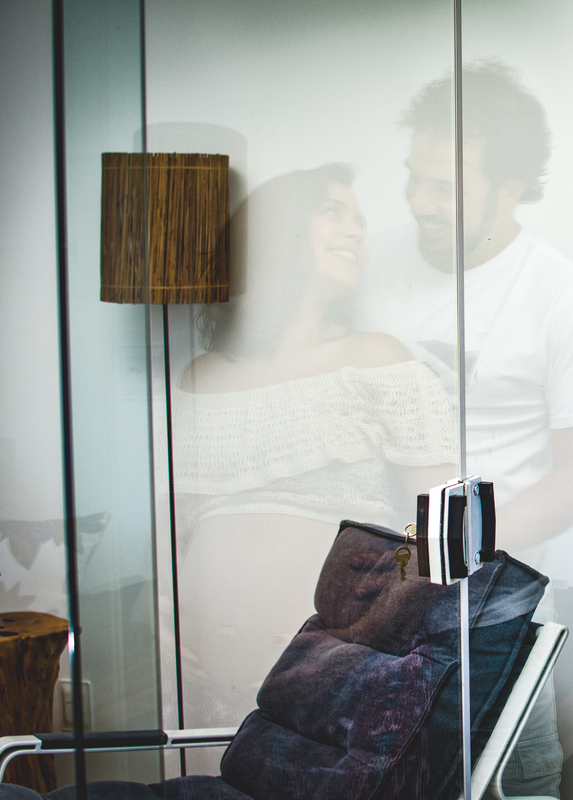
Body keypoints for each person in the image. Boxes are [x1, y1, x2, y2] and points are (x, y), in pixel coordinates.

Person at [355, 64, 573, 797]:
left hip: (502, 592)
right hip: (379, 585)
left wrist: (458, 554)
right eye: (413, 178)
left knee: (513, 783)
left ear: (511, 186)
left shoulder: (564, 297)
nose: (418, 201)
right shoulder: (375, 273)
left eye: (443, 187)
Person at [173, 163, 456, 738]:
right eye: (333, 213)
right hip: (195, 680)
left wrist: (363, 632)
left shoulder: (376, 358)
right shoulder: (200, 377)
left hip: (329, 674)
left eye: (360, 221)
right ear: (275, 233)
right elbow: (171, 531)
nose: (356, 232)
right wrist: (163, 628)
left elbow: (440, 529)